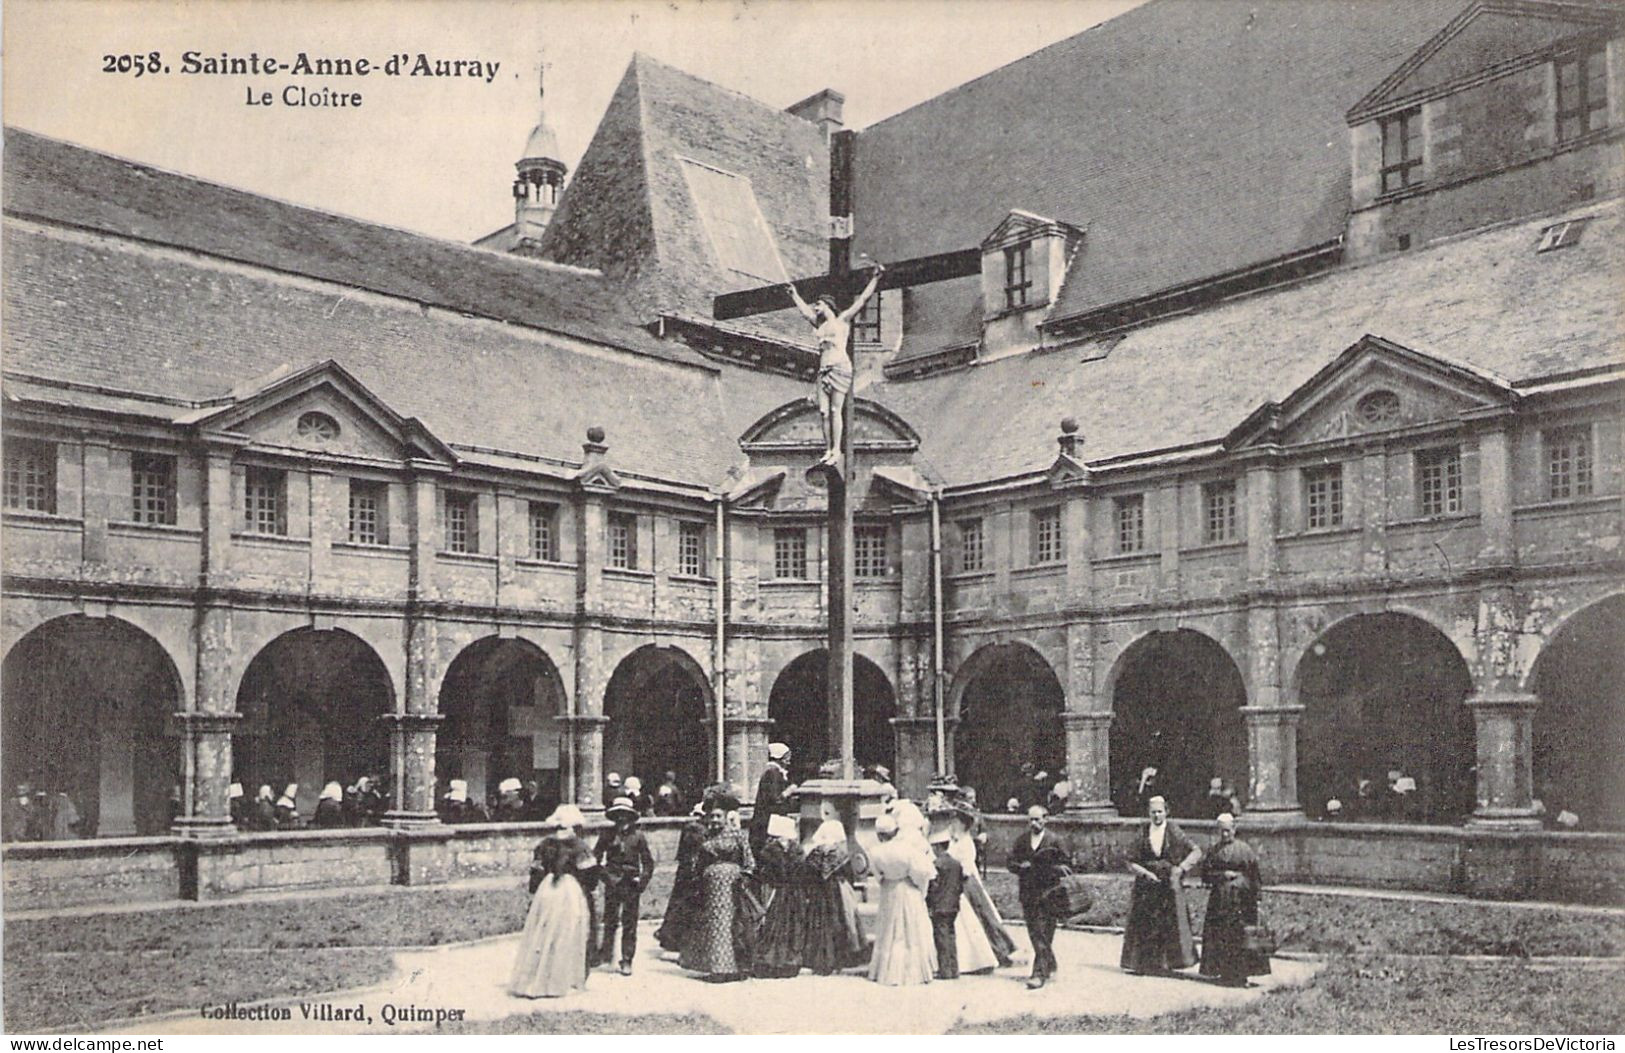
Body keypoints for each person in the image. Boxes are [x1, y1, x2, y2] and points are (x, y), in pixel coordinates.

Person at [785, 260, 884, 469]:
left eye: (818, 304)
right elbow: (805, 313)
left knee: (835, 409)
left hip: (839, 367)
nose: (815, 307)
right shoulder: (819, 325)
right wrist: (794, 295)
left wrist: (874, 279)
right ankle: (828, 449)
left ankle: (836, 449)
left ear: (827, 305)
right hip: (824, 370)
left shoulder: (842, 321)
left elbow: (863, 300)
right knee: (823, 411)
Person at [509, 804, 596, 999]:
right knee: (567, 932)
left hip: (547, 890)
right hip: (569, 890)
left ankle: (537, 979)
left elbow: (536, 872)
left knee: (543, 931)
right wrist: (587, 889)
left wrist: (536, 893)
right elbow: (590, 875)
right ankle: (562, 979)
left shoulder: (544, 844)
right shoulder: (579, 846)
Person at [1121, 795, 1202, 976]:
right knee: (1145, 923)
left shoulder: (1173, 830)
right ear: (1148, 813)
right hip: (1147, 884)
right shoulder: (1143, 831)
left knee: (1170, 922)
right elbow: (1129, 859)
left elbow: (1196, 851)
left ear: (1166, 811)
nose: (1157, 816)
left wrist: (1181, 868)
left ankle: (1168, 964)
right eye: (1153, 812)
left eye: (1160, 812)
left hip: (1168, 885)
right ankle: (1144, 964)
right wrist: (1145, 873)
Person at [681, 793, 755, 982]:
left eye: (718, 816)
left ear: (726, 817)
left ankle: (734, 968)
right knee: (713, 925)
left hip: (733, 887)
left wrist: (744, 878)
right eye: (712, 816)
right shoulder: (705, 836)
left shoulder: (738, 835)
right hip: (710, 887)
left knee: (732, 925)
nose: (714, 820)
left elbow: (749, 860)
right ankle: (716, 968)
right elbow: (697, 862)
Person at [1199, 813, 1272, 988]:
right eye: (1222, 831)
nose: (1225, 835)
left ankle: (1242, 975)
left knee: (1241, 936)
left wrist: (1257, 898)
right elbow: (1205, 876)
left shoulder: (1245, 850)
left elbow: (1255, 876)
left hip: (1242, 901)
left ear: (1234, 829)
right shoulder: (1213, 851)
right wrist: (1221, 875)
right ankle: (1223, 973)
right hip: (1220, 902)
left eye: (1228, 831)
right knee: (1220, 936)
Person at [867, 813, 937, 985]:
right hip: (908, 889)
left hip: (889, 891)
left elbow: (878, 875)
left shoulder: (874, 852)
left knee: (889, 929)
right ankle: (912, 972)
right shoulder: (908, 849)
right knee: (910, 929)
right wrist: (921, 889)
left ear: (879, 834)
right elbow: (921, 872)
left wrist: (887, 879)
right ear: (896, 831)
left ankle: (885, 970)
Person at [1009, 804, 1070, 989]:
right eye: (1031, 820)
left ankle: (1038, 974)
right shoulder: (1022, 840)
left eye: (1037, 819)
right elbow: (1010, 862)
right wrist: (1021, 867)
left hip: (1050, 893)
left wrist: (1053, 869)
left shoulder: (1055, 840)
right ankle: (1049, 963)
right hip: (1028, 893)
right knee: (1035, 932)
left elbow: (1067, 865)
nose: (1033, 823)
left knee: (1044, 932)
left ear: (1046, 819)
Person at [949, 800, 1016, 968]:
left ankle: (998, 951)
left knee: (981, 916)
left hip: (966, 881)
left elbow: (965, 866)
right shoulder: (955, 840)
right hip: (958, 881)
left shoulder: (966, 843)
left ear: (963, 824)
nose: (952, 825)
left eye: (955, 822)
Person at [593, 795, 654, 974]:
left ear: (630, 816)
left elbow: (648, 862)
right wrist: (605, 876)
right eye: (618, 814)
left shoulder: (638, 837)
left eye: (625, 814)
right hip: (612, 882)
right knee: (610, 920)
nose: (621, 818)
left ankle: (627, 959)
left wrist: (641, 881)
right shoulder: (607, 835)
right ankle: (605, 954)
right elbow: (595, 858)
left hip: (631, 884)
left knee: (630, 923)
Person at [800, 817, 867, 974]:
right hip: (836, 891)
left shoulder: (814, 853)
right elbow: (850, 874)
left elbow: (807, 874)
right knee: (840, 920)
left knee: (818, 922)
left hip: (818, 892)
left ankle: (816, 958)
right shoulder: (841, 854)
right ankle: (839, 958)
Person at [752, 814, 812, 978]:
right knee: (790, 926)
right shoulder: (796, 851)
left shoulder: (769, 851)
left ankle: (775, 961)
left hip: (779, 891)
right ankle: (787, 962)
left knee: (777, 926)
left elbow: (764, 874)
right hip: (789, 892)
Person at [656, 803, 708, 953]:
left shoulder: (691, 828)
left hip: (687, 870)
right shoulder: (694, 829)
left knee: (681, 904)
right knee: (685, 905)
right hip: (690, 871)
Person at [927, 826, 964, 980]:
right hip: (953, 905)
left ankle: (945, 971)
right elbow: (960, 885)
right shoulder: (956, 864)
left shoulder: (936, 864)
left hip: (939, 906)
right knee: (951, 936)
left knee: (941, 938)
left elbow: (933, 887)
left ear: (937, 846)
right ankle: (954, 969)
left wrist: (929, 902)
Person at [749, 742, 793, 855]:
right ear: (779, 757)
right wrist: (788, 792)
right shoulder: (773, 773)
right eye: (786, 757)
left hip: (770, 819)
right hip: (768, 821)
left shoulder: (775, 773)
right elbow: (774, 799)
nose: (789, 760)